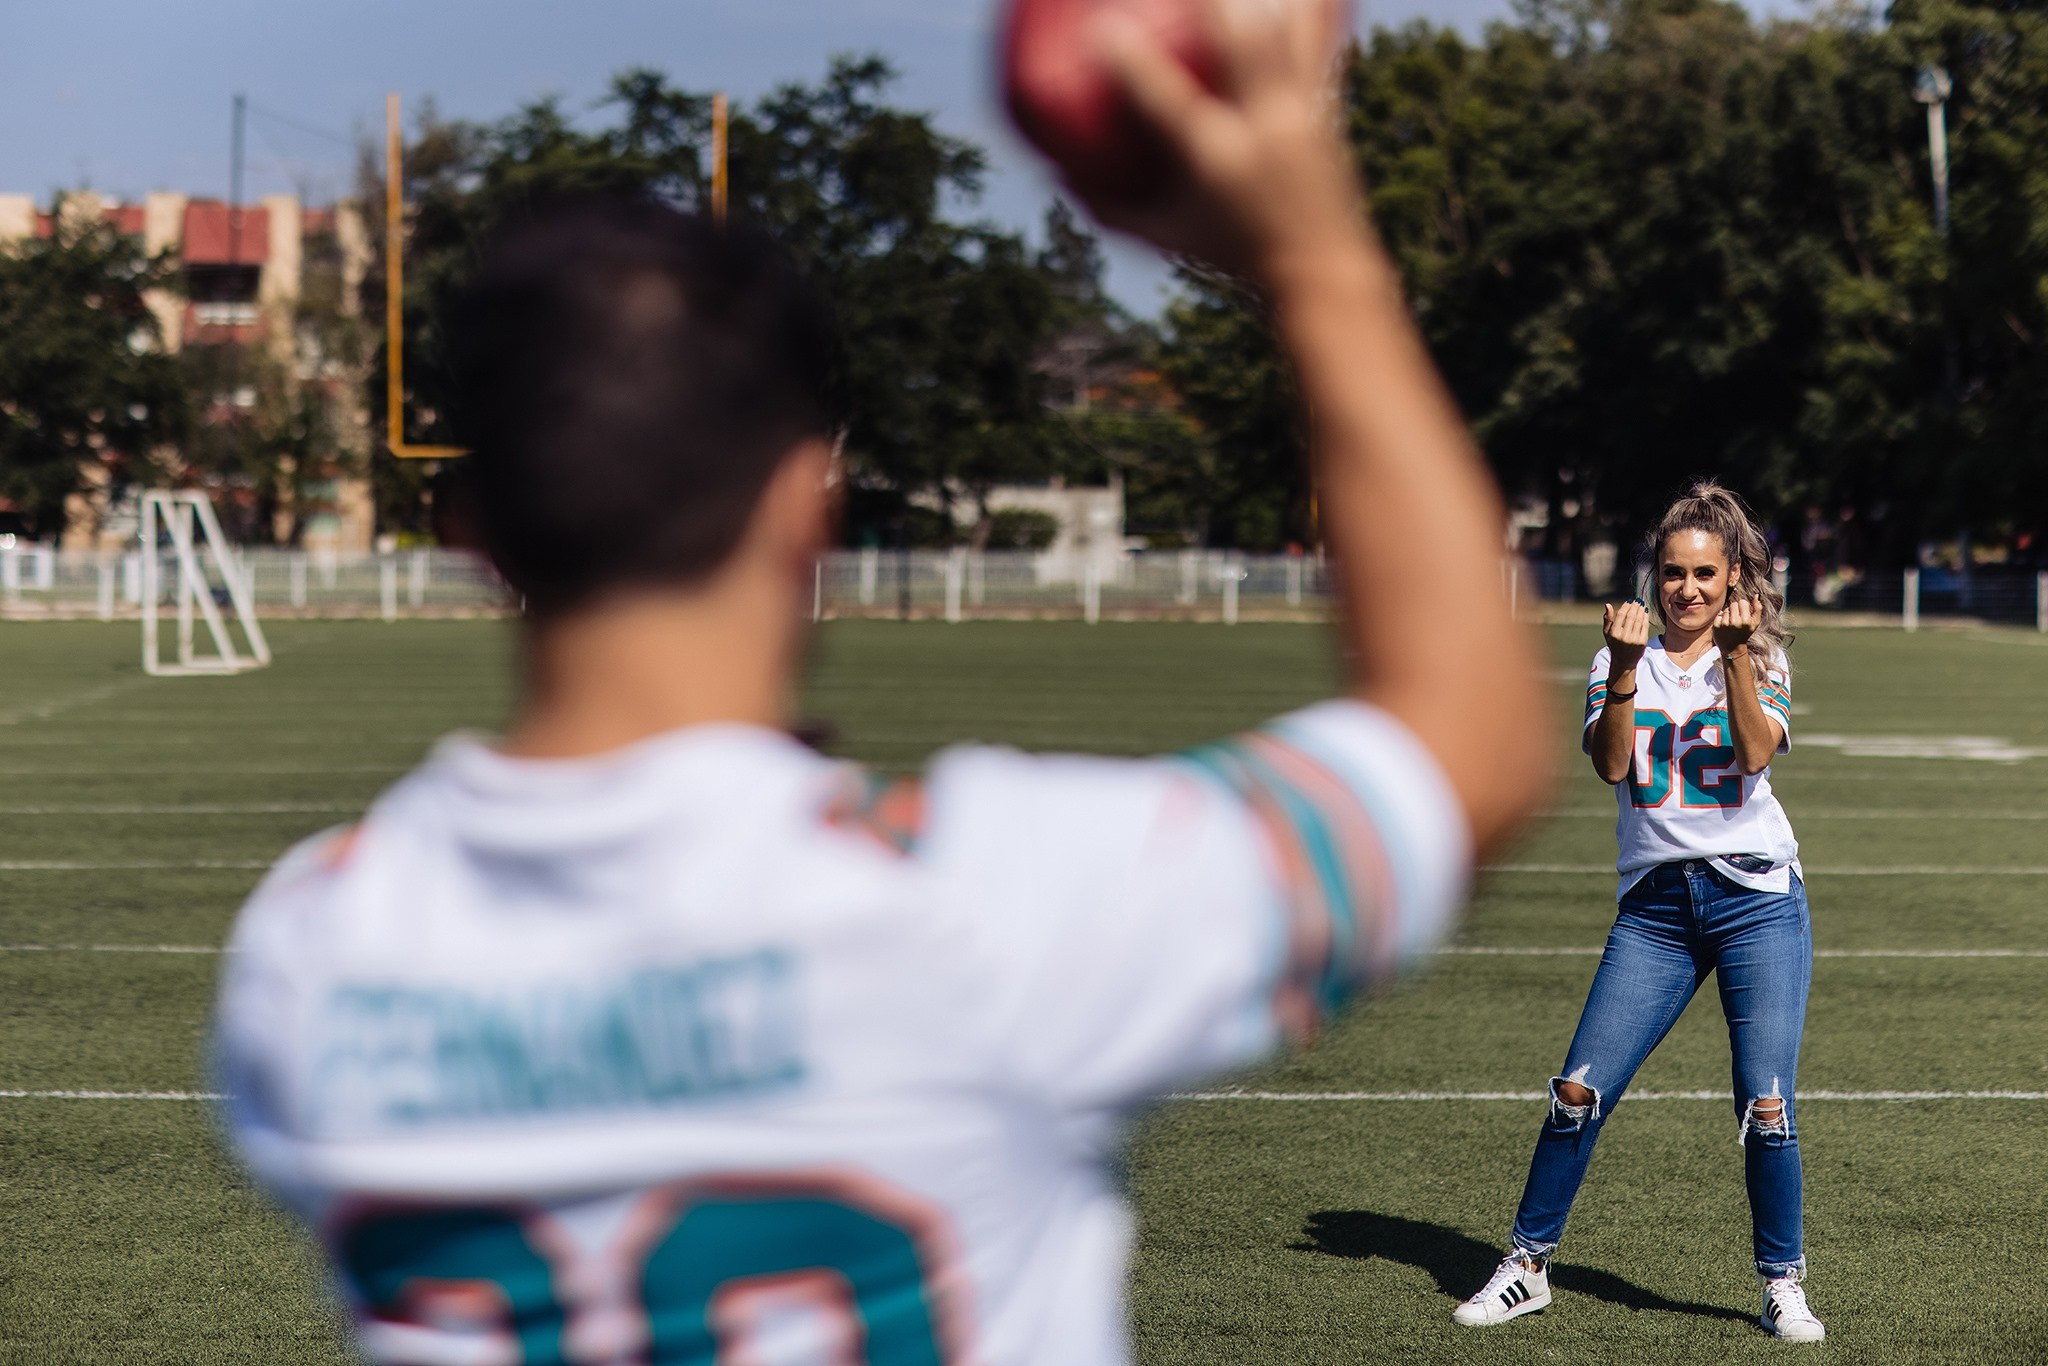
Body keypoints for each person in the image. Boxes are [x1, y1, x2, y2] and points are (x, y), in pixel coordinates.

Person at [212, 2, 1550, 1360]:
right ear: (813, 505)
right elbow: (1473, 742)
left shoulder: (312, 958)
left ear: (471, 535)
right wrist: (1313, 256)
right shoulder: (963, 911)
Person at [1453, 482, 1824, 1343]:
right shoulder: (1620, 659)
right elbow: (1612, 765)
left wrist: (1735, 656)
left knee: (1767, 1105)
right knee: (1577, 1091)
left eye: (1704, 574)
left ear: (1733, 578)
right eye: (1673, 573)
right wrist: (1623, 667)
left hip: (1756, 901)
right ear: (1653, 577)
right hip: (1656, 908)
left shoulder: (1762, 657)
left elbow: (1756, 751)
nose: (1686, 589)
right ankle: (1527, 1266)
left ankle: (1783, 1282)